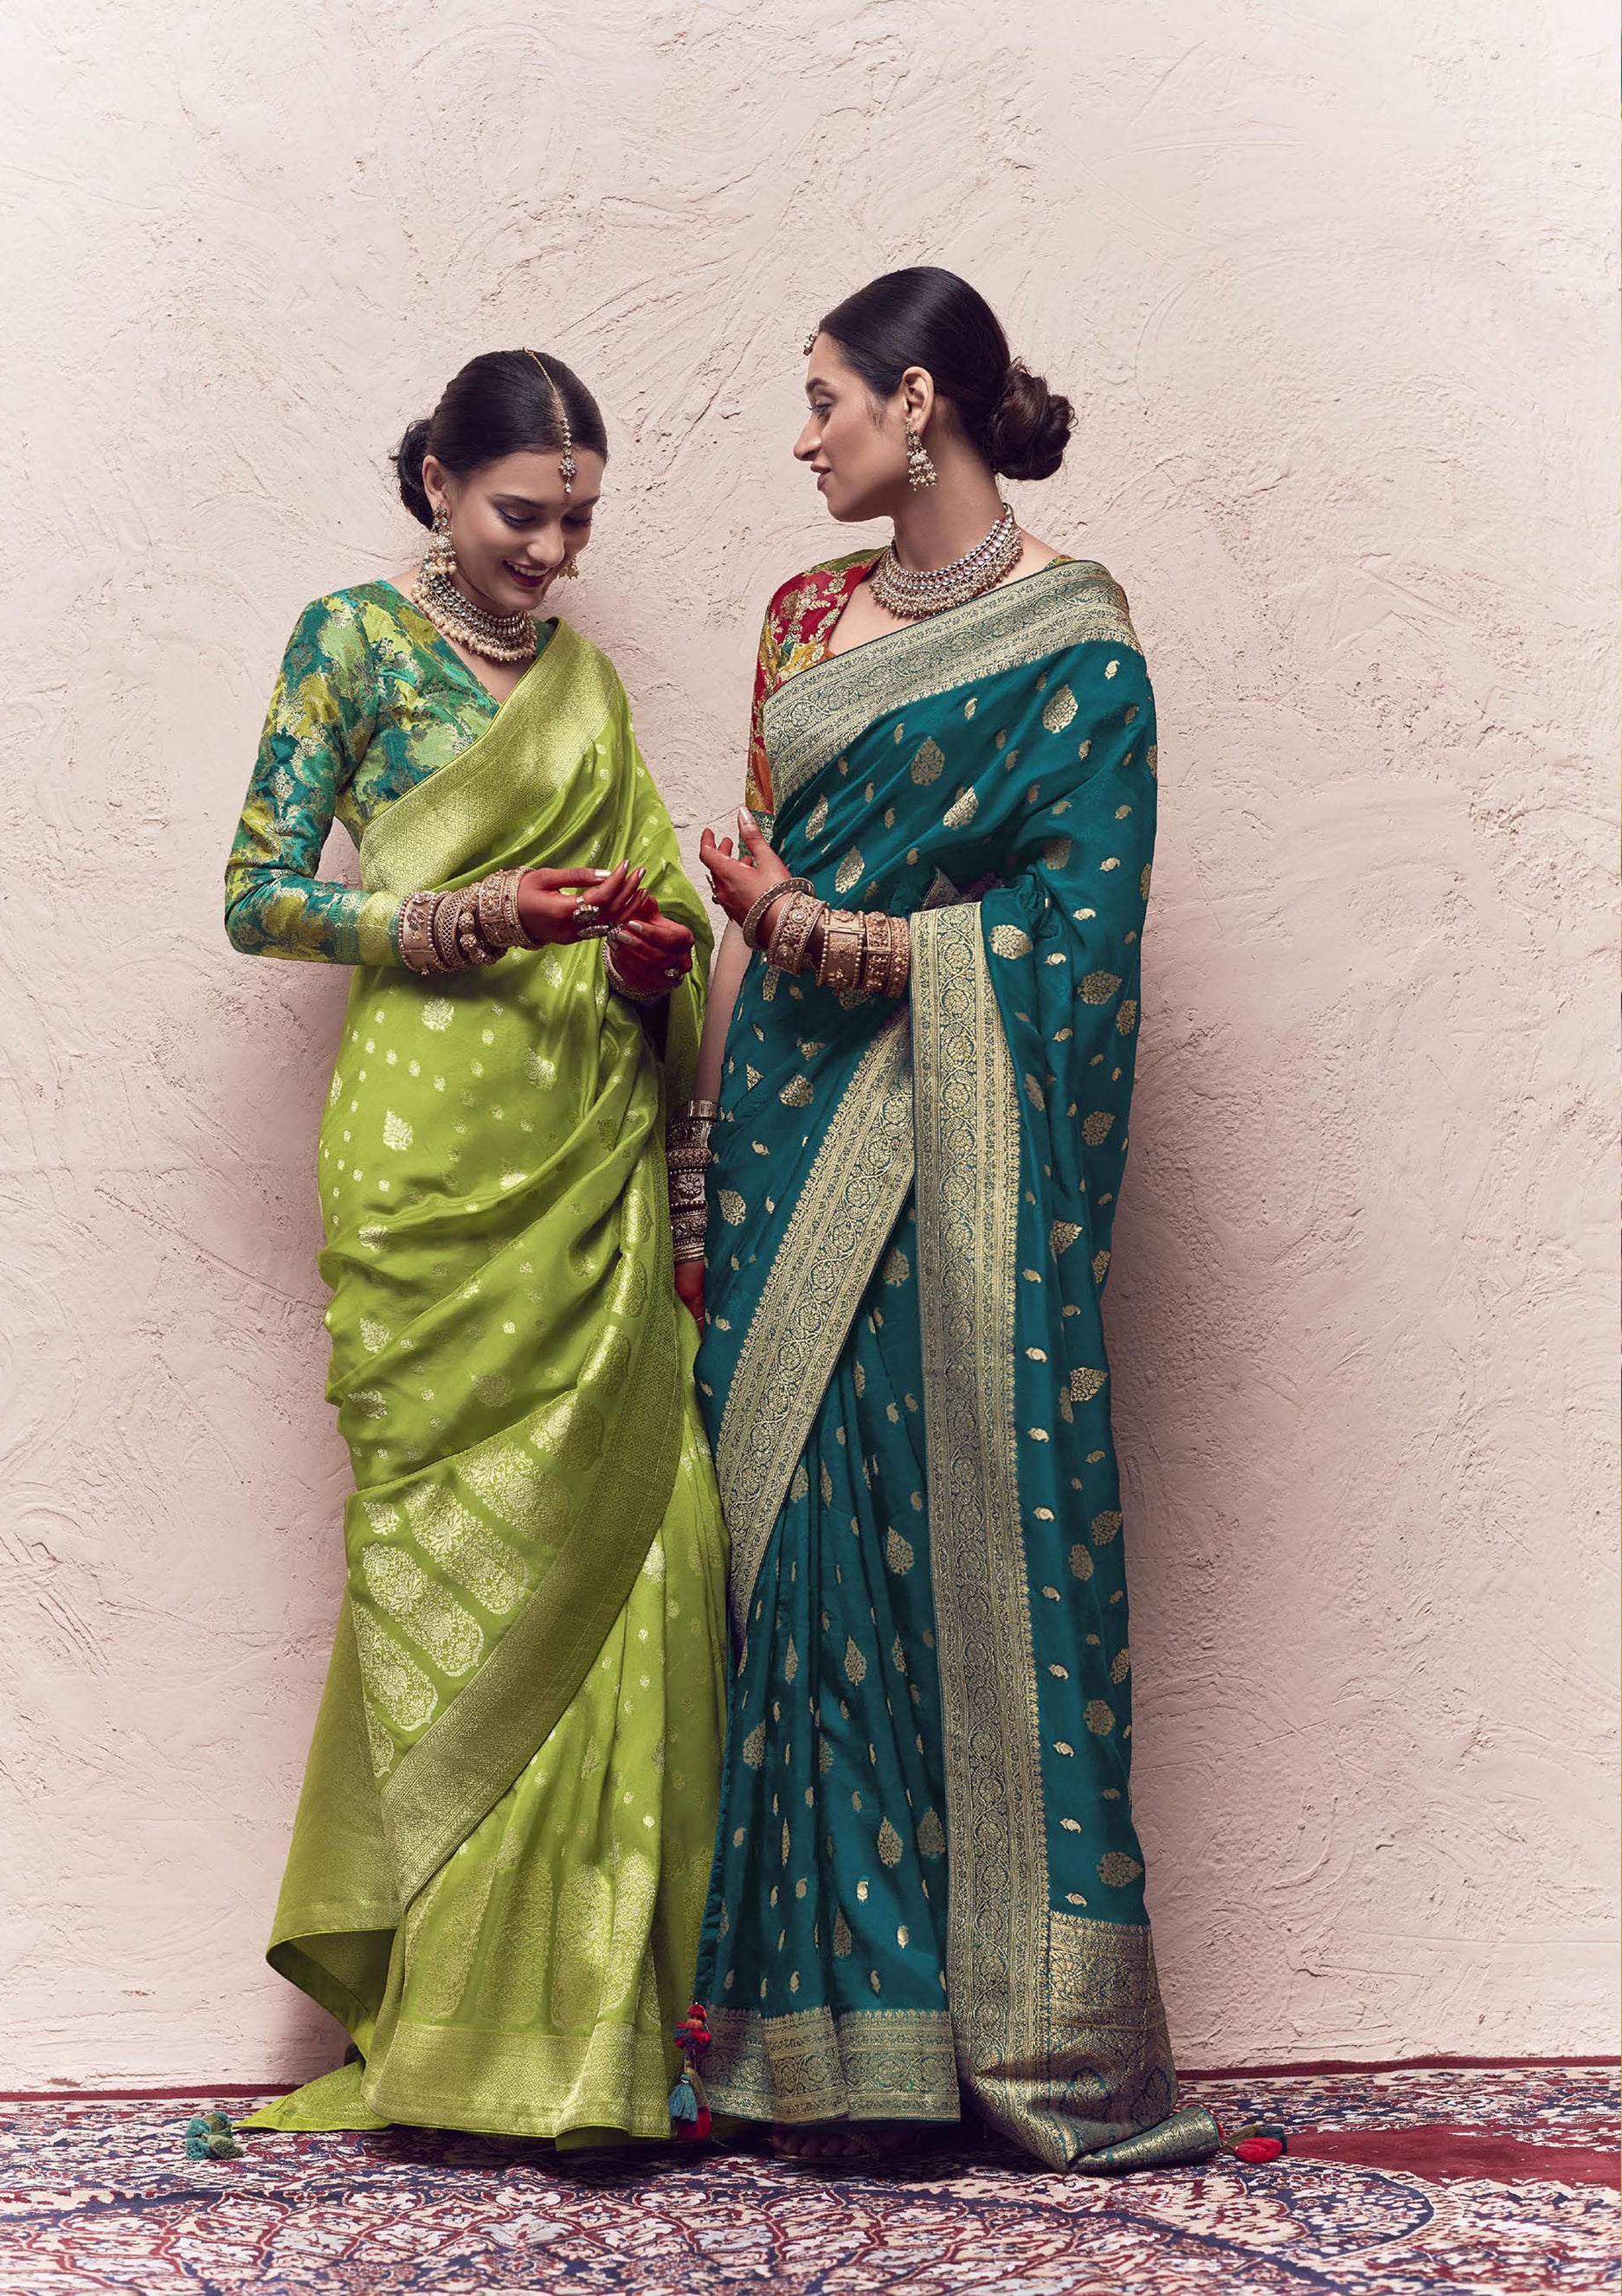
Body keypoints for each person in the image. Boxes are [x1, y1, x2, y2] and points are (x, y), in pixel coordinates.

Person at [679, 269, 1219, 2173]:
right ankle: (833, 2052)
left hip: (955, 1157)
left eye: (824, 397)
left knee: (954, 1556)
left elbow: (1074, 949)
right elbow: (763, 883)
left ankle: (1014, 2037)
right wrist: (710, 1116)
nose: (802, 436)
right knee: (798, 1561)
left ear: (918, 404)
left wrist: (831, 934)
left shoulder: (1081, 650)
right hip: (788, 1133)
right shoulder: (796, 620)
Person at [225, 349, 729, 2146]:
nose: (554, 553)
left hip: (586, 1159)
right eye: (524, 513)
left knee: (640, 1539)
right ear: (438, 482)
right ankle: (442, 2020)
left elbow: (663, 909)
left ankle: (602, 2026)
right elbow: (259, 895)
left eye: (579, 521)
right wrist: (468, 914)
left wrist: (648, 952)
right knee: (441, 1570)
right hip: (428, 1172)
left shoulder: (586, 684)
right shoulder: (349, 646)